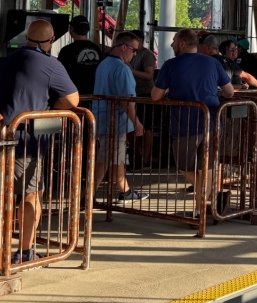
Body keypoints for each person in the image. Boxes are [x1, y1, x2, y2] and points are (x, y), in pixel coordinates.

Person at [0, 19, 79, 264]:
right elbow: (73, 100)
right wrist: (52, 108)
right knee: (31, 195)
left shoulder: (9, 59)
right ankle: (24, 251)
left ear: (26, 37)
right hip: (25, 141)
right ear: (50, 41)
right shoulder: (51, 65)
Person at [151, 29, 238, 206]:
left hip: (185, 124)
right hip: (213, 121)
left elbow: (155, 96)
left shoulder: (170, 65)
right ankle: (204, 209)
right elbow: (230, 92)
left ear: (182, 44)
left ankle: (202, 198)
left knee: (184, 166)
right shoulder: (213, 63)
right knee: (209, 166)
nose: (171, 44)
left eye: (174, 41)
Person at [92, 32, 146, 201]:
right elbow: (126, 101)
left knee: (115, 156)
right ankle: (87, 194)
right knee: (106, 159)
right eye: (134, 50)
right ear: (124, 47)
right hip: (114, 122)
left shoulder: (104, 64)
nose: (135, 54)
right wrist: (136, 122)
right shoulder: (122, 69)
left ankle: (125, 190)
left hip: (102, 118)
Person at [128, 31, 156, 166]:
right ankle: (138, 156)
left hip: (144, 94)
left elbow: (149, 75)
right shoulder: (131, 54)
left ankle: (144, 158)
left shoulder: (147, 55)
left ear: (139, 40)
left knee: (146, 127)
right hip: (132, 94)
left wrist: (131, 71)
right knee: (131, 127)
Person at [57, 15, 101, 96]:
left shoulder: (66, 51)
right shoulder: (97, 49)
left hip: (73, 95)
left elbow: (59, 74)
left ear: (72, 29)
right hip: (94, 96)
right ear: (87, 30)